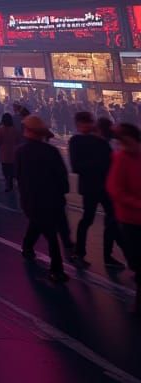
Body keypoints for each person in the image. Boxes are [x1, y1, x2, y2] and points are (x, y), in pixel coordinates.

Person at [16, 115, 69, 283]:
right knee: (49, 231)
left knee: (41, 226)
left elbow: (20, 177)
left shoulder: (21, 152)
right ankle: (55, 268)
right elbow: (62, 176)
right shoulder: (51, 151)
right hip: (52, 199)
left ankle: (30, 248)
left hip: (32, 199)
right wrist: (61, 194)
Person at [69, 111, 125, 268]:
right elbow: (78, 166)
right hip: (95, 186)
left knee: (106, 219)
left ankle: (103, 254)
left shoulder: (92, 141)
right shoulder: (80, 141)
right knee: (94, 219)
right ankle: (84, 253)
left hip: (96, 186)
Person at [106, 123, 141, 316]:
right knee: (137, 260)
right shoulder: (120, 159)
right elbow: (115, 189)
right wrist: (136, 203)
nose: (125, 146)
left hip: (134, 217)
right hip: (130, 219)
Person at [0, 113, 20, 192]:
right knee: (12, 167)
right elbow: (17, 140)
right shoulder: (15, 129)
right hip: (13, 151)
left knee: (5, 168)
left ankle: (8, 183)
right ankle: (11, 180)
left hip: (3, 152)